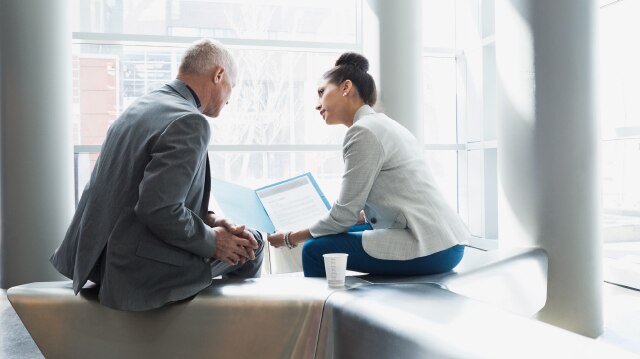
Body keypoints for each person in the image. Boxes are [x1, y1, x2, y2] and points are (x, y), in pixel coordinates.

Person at [50, 39, 264, 311]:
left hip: (93, 259)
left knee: (230, 239)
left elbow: (135, 191)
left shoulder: (140, 107)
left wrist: (211, 219)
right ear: (218, 75)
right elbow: (158, 209)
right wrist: (213, 241)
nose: (230, 98)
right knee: (252, 243)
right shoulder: (189, 121)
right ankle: (229, 333)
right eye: (232, 86)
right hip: (133, 269)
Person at [268, 53, 469, 277]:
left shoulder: (363, 132)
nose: (317, 105)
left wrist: (289, 238)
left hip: (431, 247)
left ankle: (331, 311)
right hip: (447, 238)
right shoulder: (383, 124)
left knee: (314, 250)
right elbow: (359, 211)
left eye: (321, 92)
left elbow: (343, 215)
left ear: (346, 87)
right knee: (323, 236)